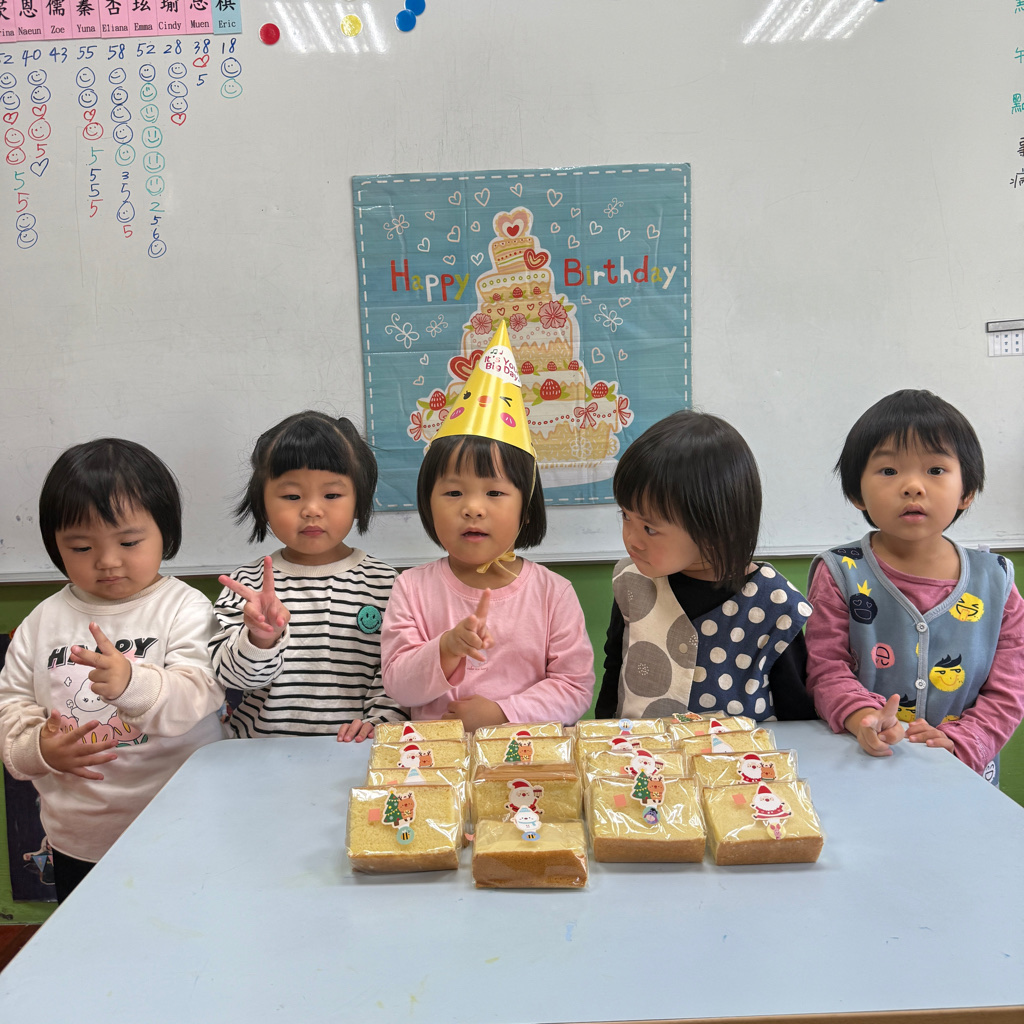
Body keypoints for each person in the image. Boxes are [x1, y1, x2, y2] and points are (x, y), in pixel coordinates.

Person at [0, 439, 225, 901]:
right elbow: (12, 706)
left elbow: (200, 692)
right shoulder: (41, 622)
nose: (106, 561)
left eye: (128, 542)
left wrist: (132, 684)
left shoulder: (185, 608)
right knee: (92, 939)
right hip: (80, 838)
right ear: (56, 545)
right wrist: (38, 750)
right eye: (81, 546)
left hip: (184, 823)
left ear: (165, 532)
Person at [381, 324, 595, 730]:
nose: (473, 508)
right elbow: (398, 686)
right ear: (427, 503)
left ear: (526, 509)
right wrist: (447, 648)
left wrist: (502, 713)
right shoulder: (411, 588)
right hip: (436, 760)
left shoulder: (553, 593)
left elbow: (575, 688)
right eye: (453, 492)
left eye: (495, 493)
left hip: (528, 756)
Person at [805, 389, 1024, 782]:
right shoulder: (840, 572)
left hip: (964, 778)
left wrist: (960, 742)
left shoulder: (995, 579)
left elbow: (1011, 688)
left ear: (967, 491)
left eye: (935, 470)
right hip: (866, 765)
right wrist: (865, 718)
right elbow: (826, 668)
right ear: (856, 492)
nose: (912, 486)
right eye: (889, 471)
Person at [598, 410, 815, 722]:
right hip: (641, 751)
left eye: (649, 528)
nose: (631, 539)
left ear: (716, 528)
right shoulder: (632, 582)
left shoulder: (774, 603)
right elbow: (614, 670)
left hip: (738, 752)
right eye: (625, 516)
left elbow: (798, 712)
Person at [210, 411, 404, 740]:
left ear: (359, 498)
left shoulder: (385, 583)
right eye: (291, 496)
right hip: (258, 754)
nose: (312, 509)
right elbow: (230, 678)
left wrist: (380, 721)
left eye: (332, 495)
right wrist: (260, 639)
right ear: (262, 503)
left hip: (355, 753)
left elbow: (397, 671)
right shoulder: (245, 586)